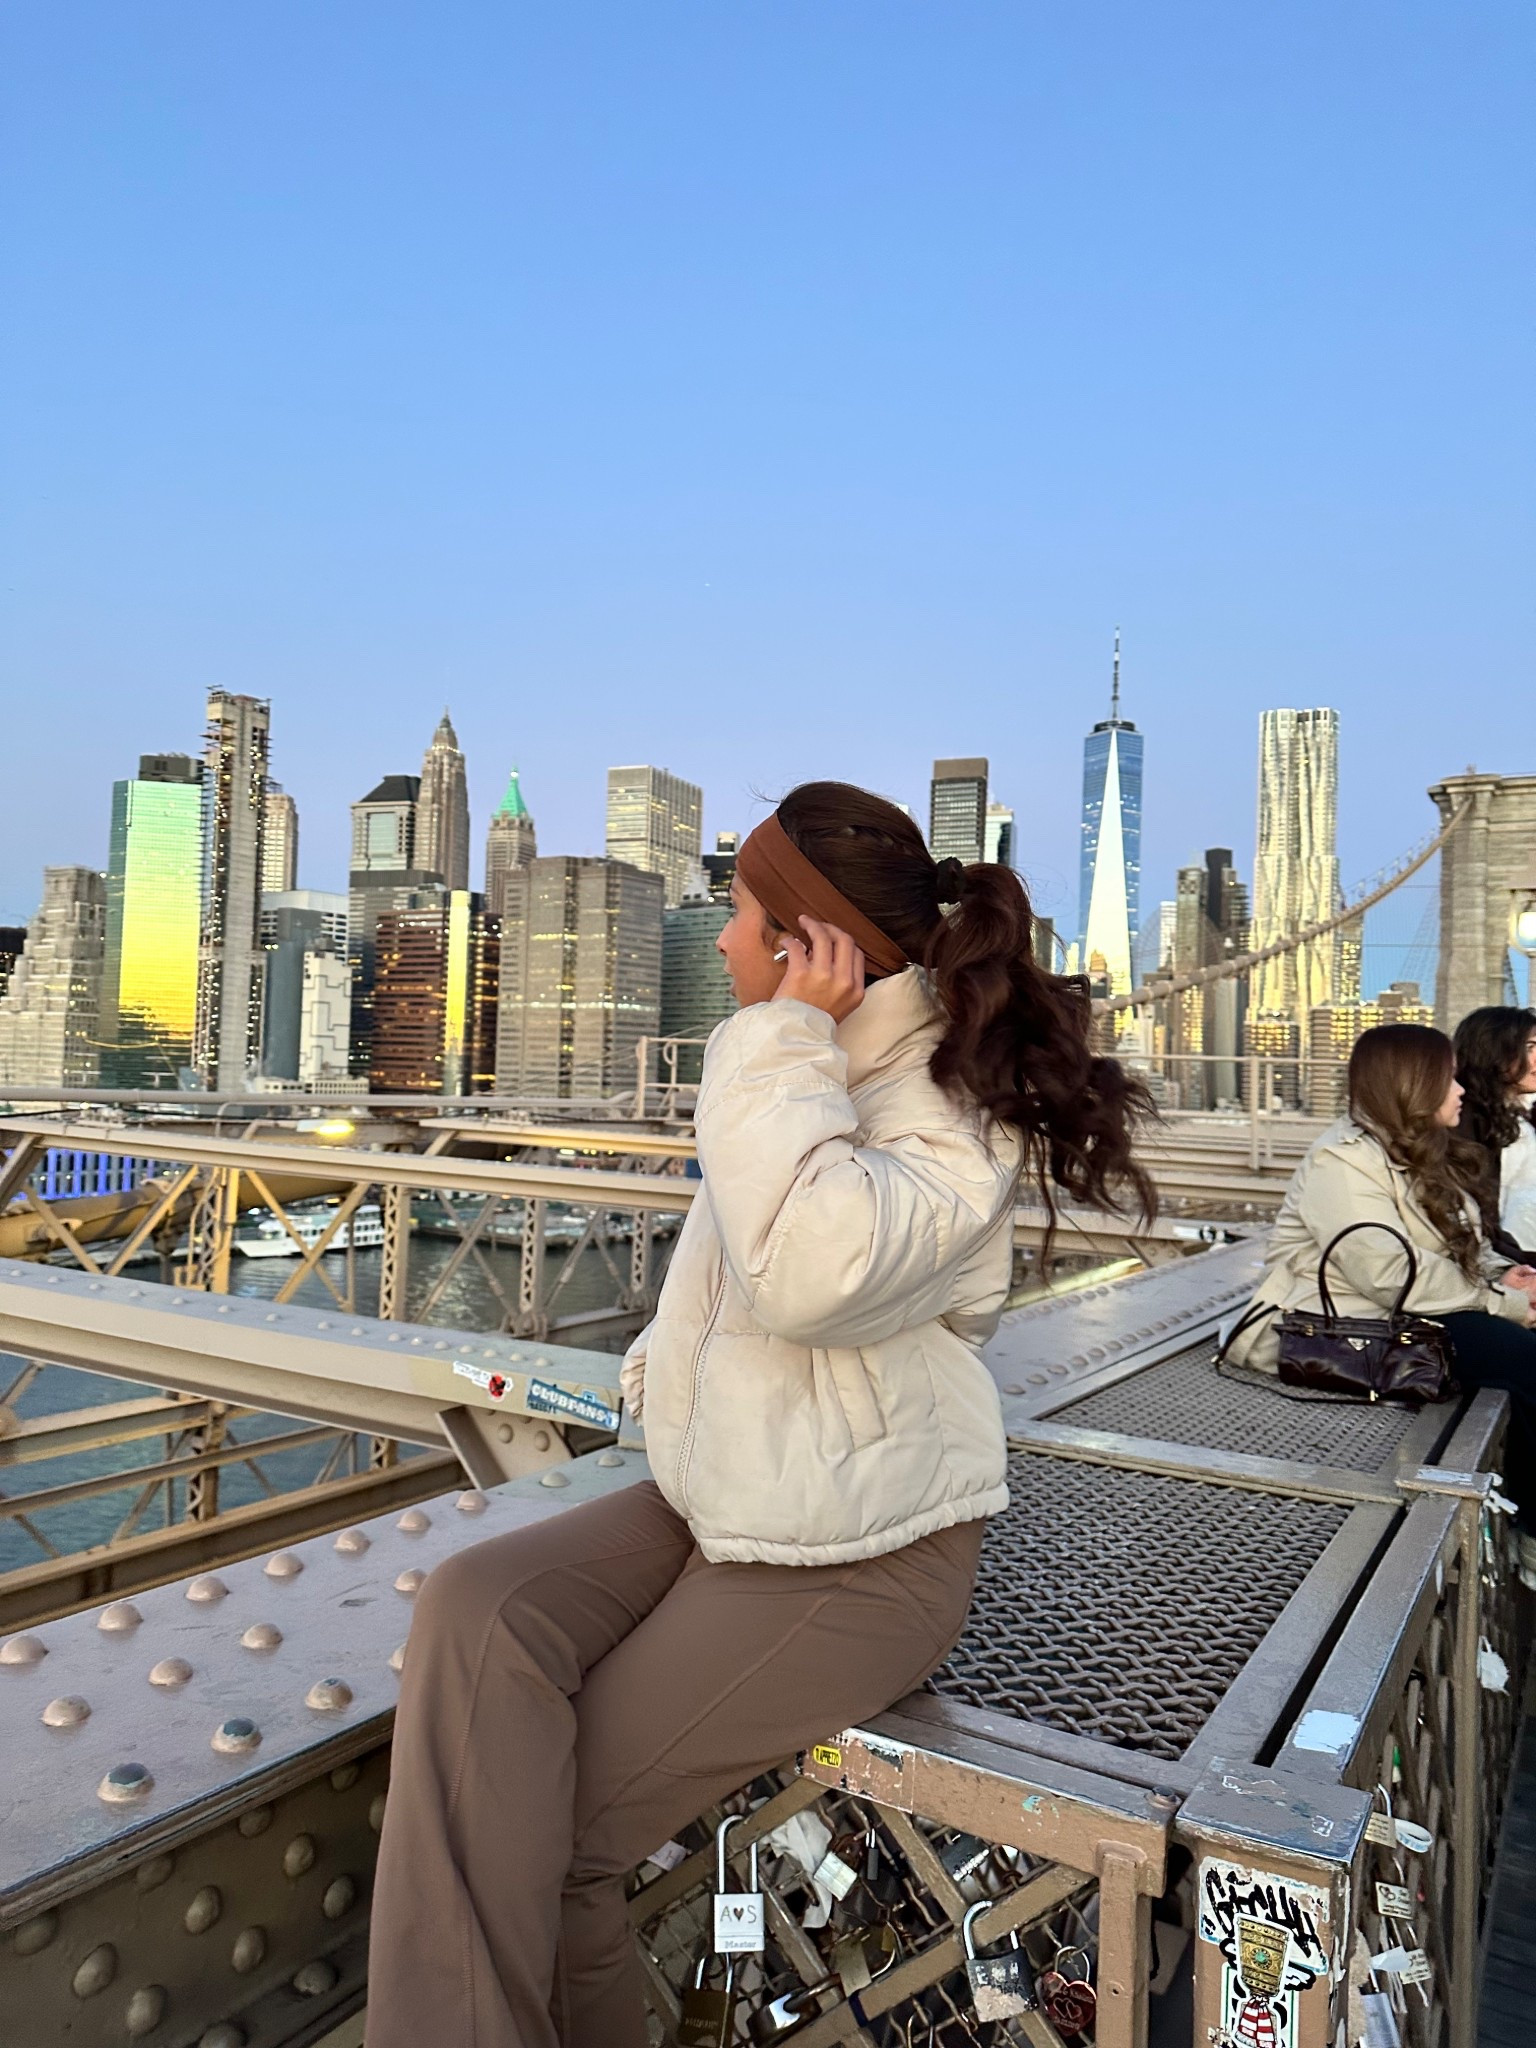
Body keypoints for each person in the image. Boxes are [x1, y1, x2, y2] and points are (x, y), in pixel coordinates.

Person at [365, 781, 1153, 2048]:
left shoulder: (949, 1116)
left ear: (804, 944)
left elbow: (803, 1275)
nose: (722, 940)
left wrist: (784, 1042)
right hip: (735, 1493)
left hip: (866, 1554)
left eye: (737, 914)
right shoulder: (808, 1075)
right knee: (474, 1607)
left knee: (565, 1835)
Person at [1223, 1021, 1536, 1566]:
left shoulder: (1422, 1148)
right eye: (1448, 1079)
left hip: (1406, 1313)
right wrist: (1503, 1303)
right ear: (1412, 1085)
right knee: (1524, 1360)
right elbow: (1389, 1273)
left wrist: (1509, 1275)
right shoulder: (1340, 1161)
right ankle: (1532, 1535)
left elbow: (1463, 1243)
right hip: (1341, 1322)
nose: (1461, 1089)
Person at [1453, 1005, 1536, 1260]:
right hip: (1510, 1267)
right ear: (1492, 1053)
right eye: (1529, 1048)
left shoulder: (1521, 1114)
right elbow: (1476, 1221)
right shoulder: (1466, 1123)